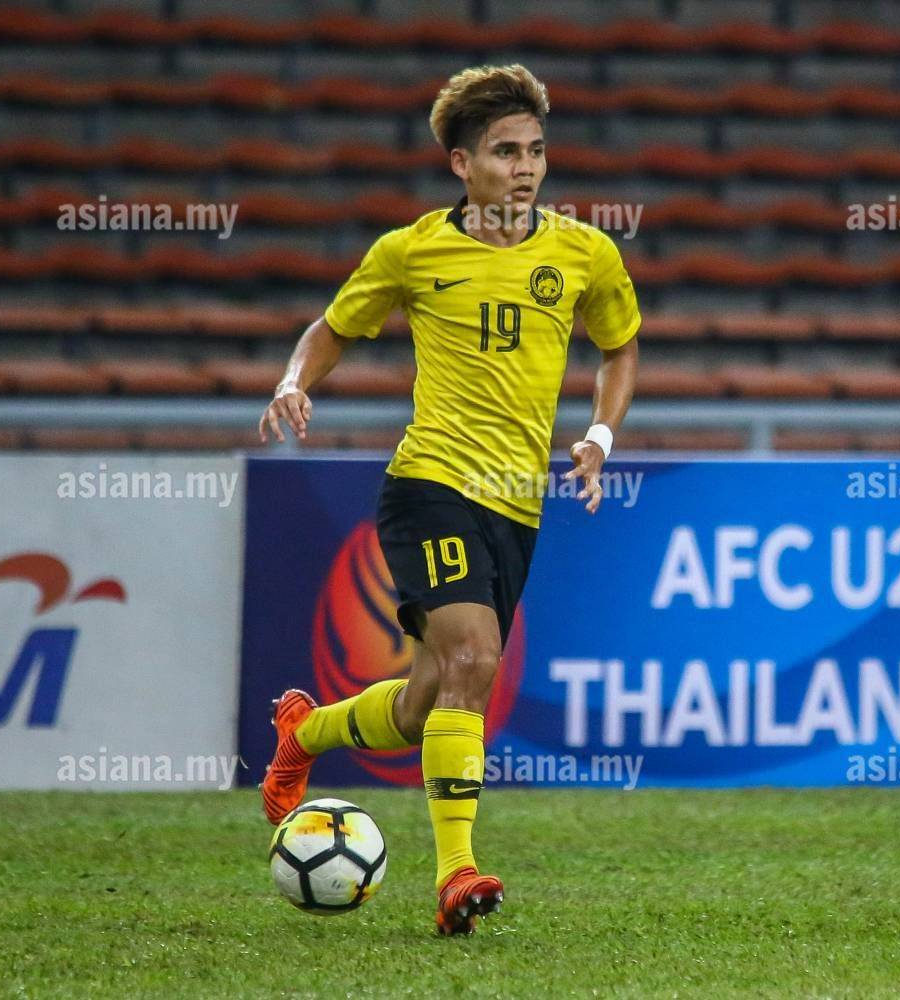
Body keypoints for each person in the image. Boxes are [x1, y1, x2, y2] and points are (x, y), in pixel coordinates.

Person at [255, 64, 641, 936]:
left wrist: (599, 435)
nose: (525, 167)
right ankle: (457, 874)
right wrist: (293, 381)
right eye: (505, 152)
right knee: (475, 658)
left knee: (426, 700)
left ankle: (305, 733)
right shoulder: (411, 250)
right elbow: (334, 327)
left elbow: (620, 348)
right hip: (430, 485)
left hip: (516, 505)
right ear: (462, 164)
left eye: (535, 150)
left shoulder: (585, 253)